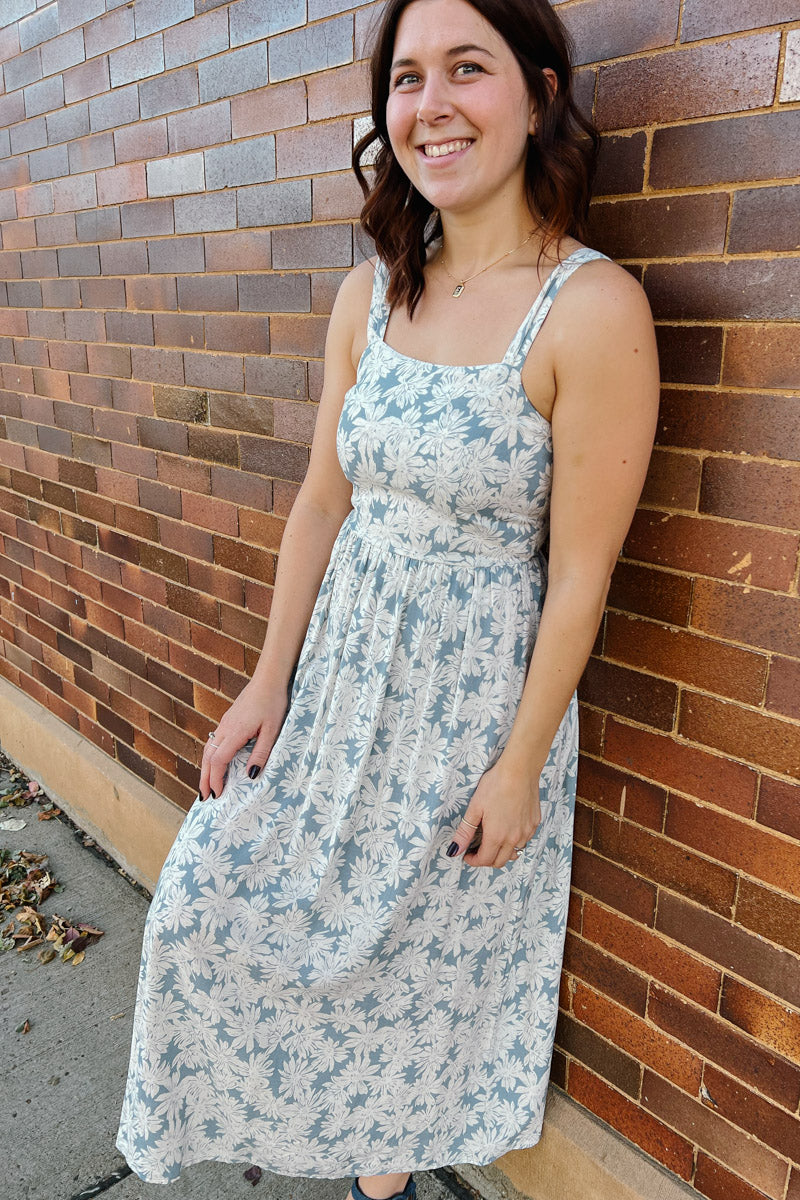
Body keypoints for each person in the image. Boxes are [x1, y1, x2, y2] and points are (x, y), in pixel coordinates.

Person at [115, 0, 659, 1193]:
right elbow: (320, 499)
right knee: (206, 903)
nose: (431, 105)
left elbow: (579, 574)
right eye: (407, 78)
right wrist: (269, 682)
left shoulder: (591, 311)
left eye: (467, 68)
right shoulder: (371, 295)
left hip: (468, 705)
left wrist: (516, 765)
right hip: (341, 681)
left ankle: (381, 1171)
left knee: (415, 953)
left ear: (538, 91)